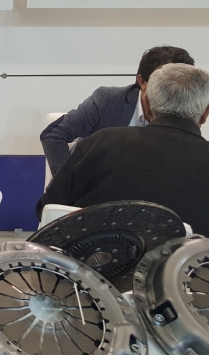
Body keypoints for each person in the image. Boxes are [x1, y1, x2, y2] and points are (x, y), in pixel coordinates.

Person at [37, 64, 209, 234]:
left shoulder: (102, 142)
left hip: (98, 251)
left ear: (147, 104)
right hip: (187, 252)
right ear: (205, 113)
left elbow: (48, 210)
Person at [41, 46, 195, 175]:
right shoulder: (108, 100)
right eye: (163, 83)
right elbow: (54, 135)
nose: (172, 91)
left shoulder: (185, 113)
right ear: (142, 81)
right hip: (93, 189)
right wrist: (69, 184)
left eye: (180, 85)